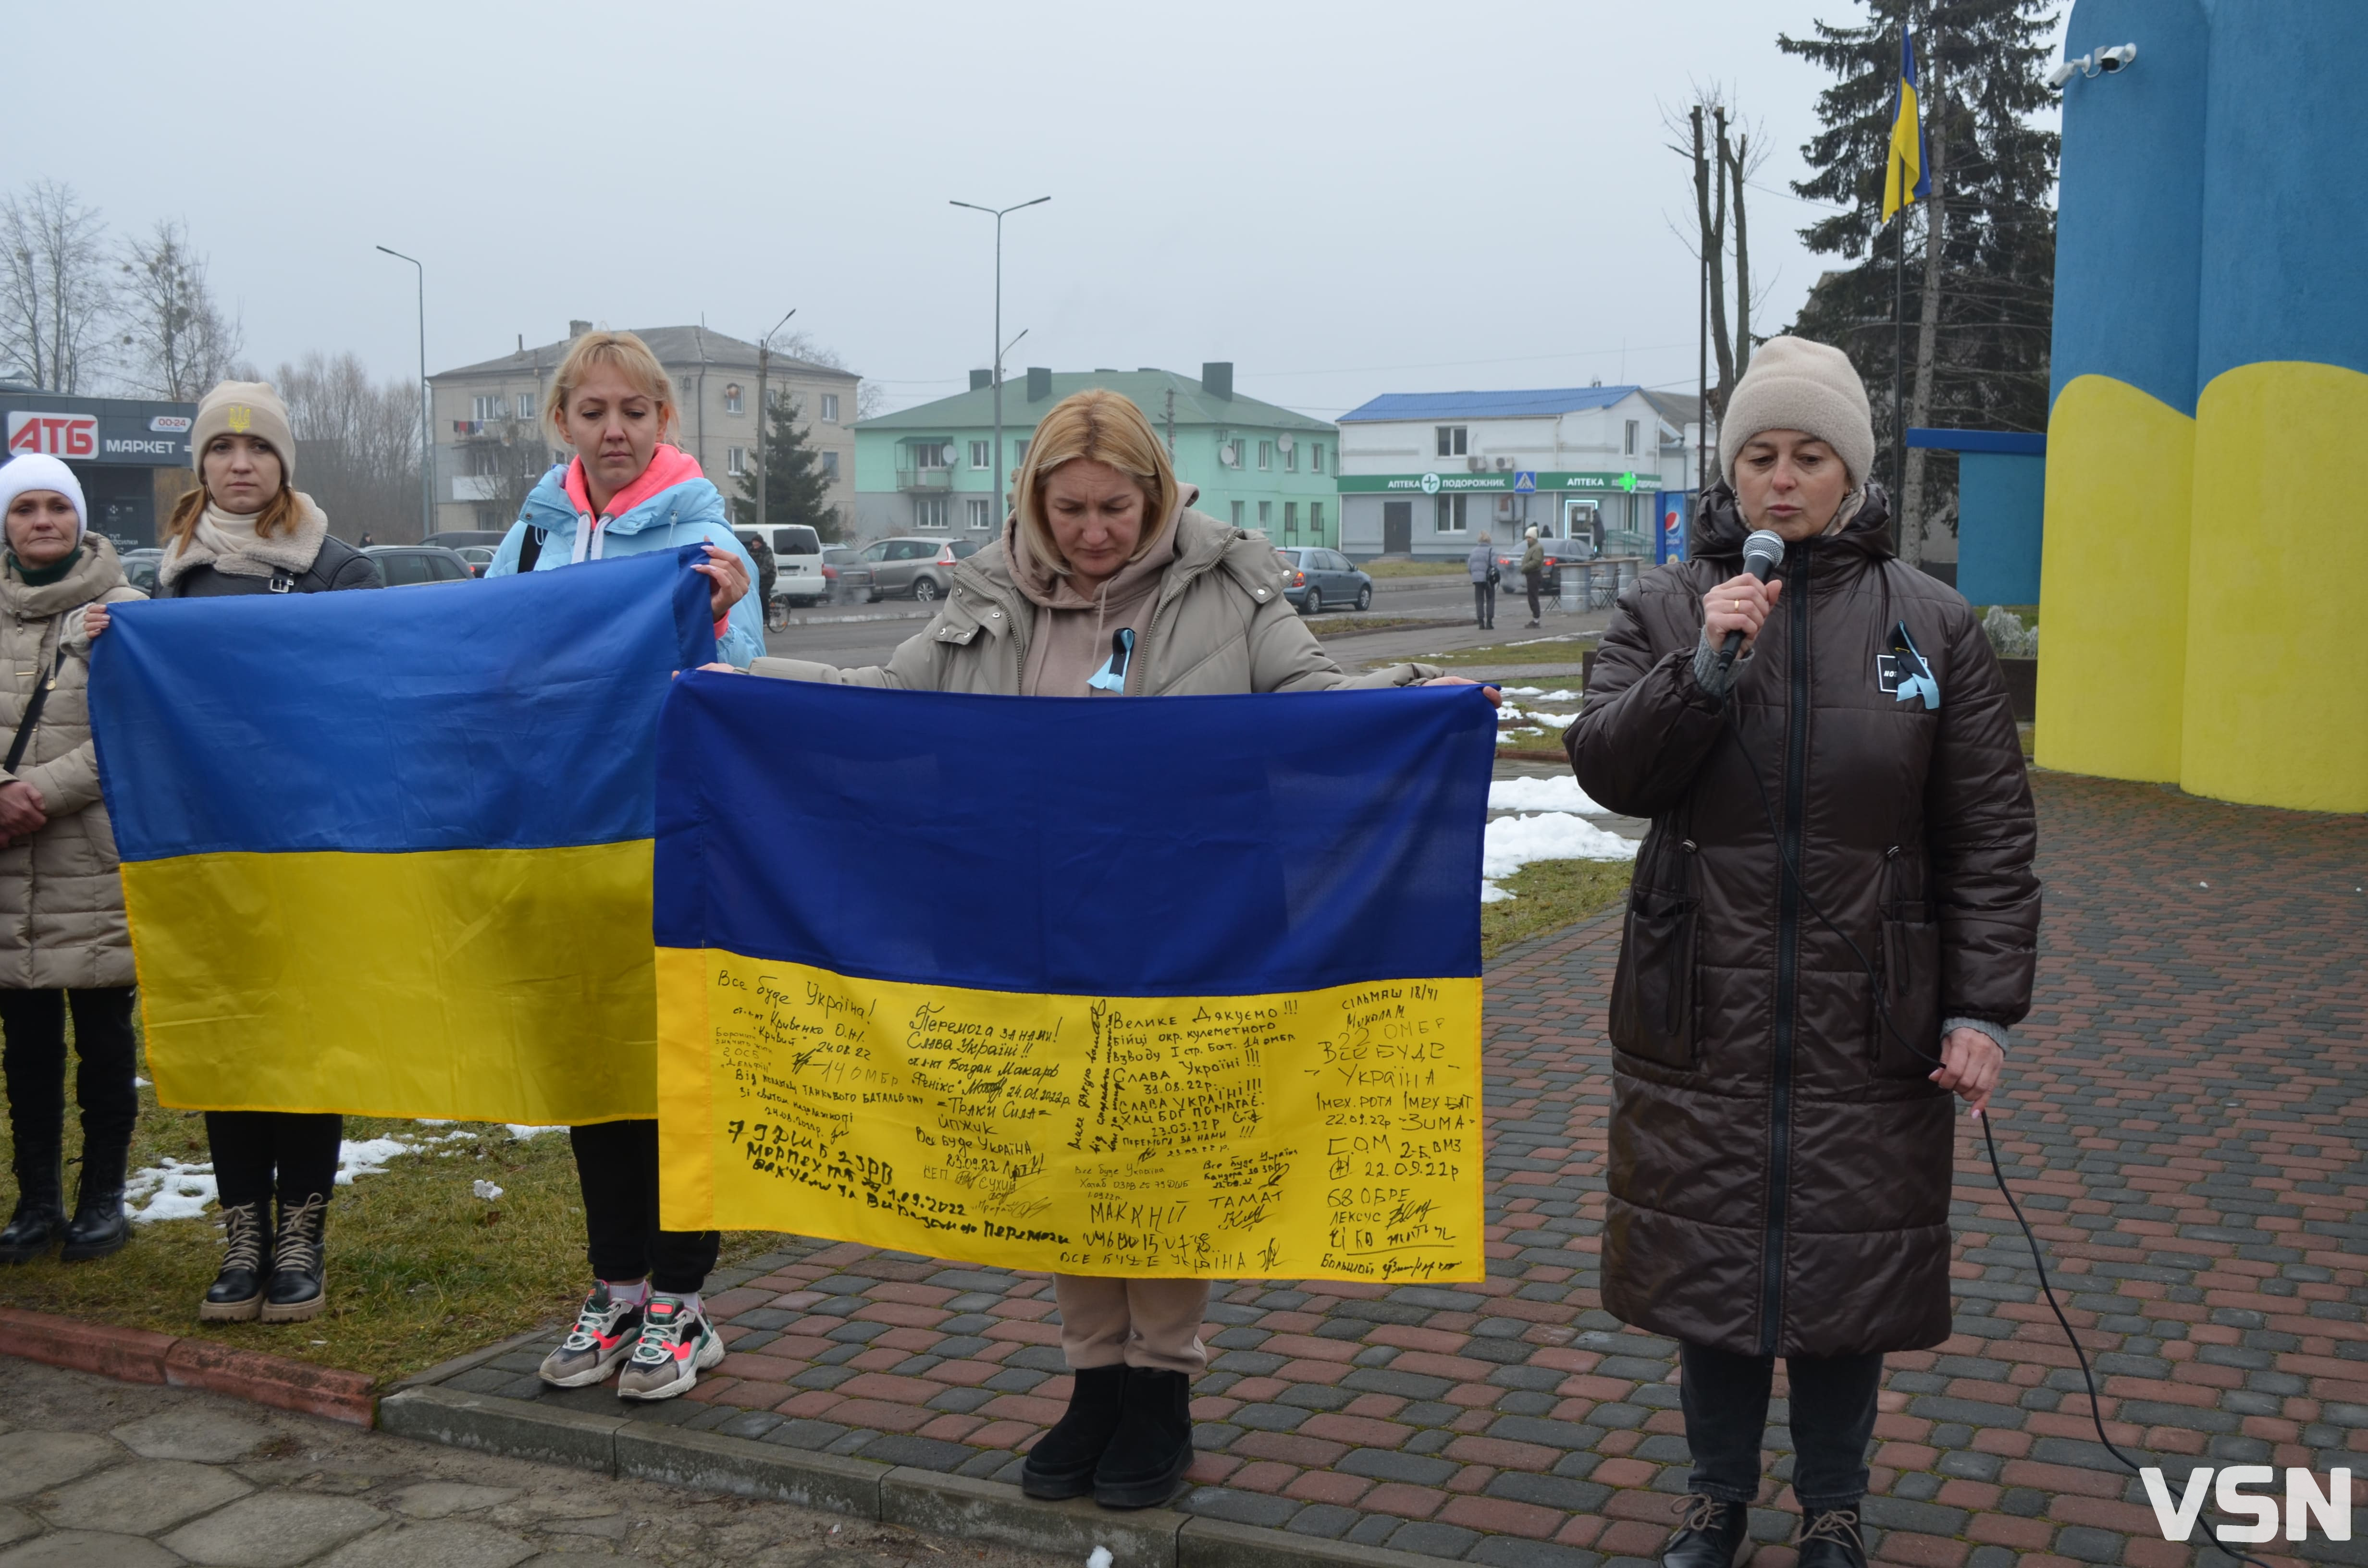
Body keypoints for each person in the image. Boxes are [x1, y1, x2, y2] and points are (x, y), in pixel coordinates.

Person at [736, 389, 1496, 1509]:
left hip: (1199, 930)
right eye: (1071, 509)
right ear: (1034, 504)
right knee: (1069, 1155)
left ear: (1157, 496)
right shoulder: (983, 603)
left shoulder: (1232, 589)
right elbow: (875, 705)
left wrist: (1423, 701)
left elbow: (1315, 709)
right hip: (1031, 928)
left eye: (1117, 508)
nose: (1094, 533)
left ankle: (1162, 1385)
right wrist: (728, 686)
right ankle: (1093, 1377)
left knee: (1167, 1159)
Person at [1566, 337, 2039, 1568]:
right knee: (1712, 1278)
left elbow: (1986, 835)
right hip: (1699, 1008)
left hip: (1870, 1018)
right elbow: (1612, 767)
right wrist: (1705, 667)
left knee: (1844, 1287)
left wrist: (1981, 1010)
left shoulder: (1931, 625)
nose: (1783, 480)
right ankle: (1715, 1503)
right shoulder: (1668, 609)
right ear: (1732, 476)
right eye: (1760, 456)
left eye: (1809, 455)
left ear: (1852, 472)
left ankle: (1834, 1510)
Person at [486, 329, 760, 1404]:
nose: (611, 431)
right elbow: (488, 659)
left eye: (632, 413)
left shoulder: (706, 535)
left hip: (673, 832)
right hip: (565, 834)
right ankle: (615, 1289)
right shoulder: (529, 535)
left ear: (664, 423)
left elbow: (738, 678)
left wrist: (728, 608)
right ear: (563, 421)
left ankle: (684, 1304)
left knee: (677, 1065)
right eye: (591, 412)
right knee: (597, 1064)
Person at [88, 380, 383, 1321]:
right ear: (202, 466)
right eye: (222, 450)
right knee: (232, 1040)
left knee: (302, 1042)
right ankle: (243, 1233)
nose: (241, 464)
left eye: (258, 450)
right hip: (207, 850)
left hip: (312, 849)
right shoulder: (168, 580)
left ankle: (303, 1234)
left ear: (284, 464)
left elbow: (375, 694)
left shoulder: (340, 570)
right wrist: (112, 648)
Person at [0, 456, 145, 1267]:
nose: (44, 520)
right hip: (6, 865)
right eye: (26, 507)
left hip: (89, 857)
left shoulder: (122, 611)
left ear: (80, 518)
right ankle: (35, 1201)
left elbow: (131, 729)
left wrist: (34, 794)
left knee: (101, 1039)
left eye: (59, 505)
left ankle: (102, 1199)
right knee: (24, 1045)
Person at [1465, 529, 1496, 629]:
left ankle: (1481, 622)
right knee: (1490, 599)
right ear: (1489, 540)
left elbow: (1470, 566)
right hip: (1489, 580)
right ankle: (1489, 622)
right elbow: (1495, 566)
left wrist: (1474, 575)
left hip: (1477, 579)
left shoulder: (1473, 551)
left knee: (1479, 600)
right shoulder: (1492, 551)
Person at [1519, 525, 1546, 626]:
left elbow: (1536, 562)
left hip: (1534, 575)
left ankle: (1536, 620)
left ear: (1534, 538)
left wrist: (1525, 568)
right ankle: (1535, 619)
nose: (1527, 540)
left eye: (1529, 537)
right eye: (1527, 537)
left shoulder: (1537, 548)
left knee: (1533, 598)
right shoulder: (1532, 548)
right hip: (1531, 575)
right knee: (1532, 597)